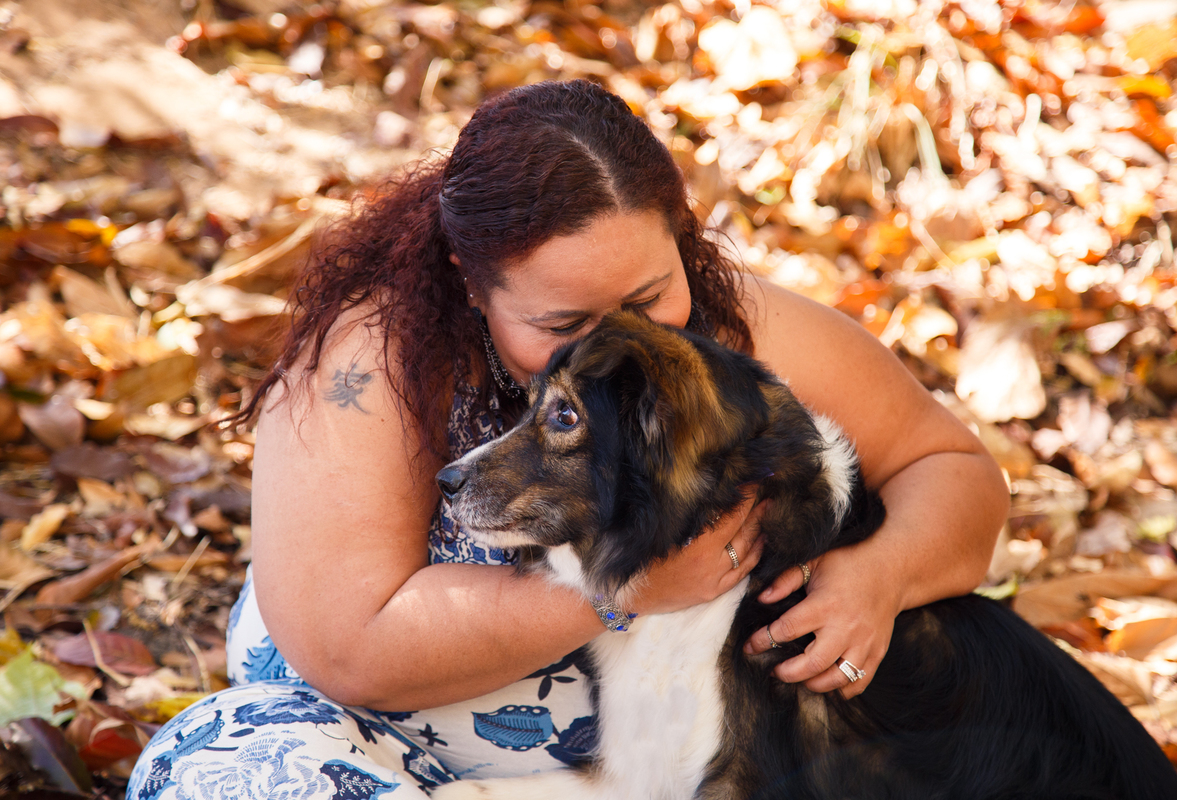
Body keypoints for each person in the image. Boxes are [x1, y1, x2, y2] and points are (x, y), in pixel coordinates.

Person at [126, 80, 1008, 799]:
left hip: (675, 769)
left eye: (647, 297)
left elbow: (954, 468)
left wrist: (881, 576)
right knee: (219, 769)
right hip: (389, 754)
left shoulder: (728, 340)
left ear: (681, 241)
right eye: (564, 320)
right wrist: (627, 588)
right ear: (469, 285)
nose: (615, 341)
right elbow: (350, 649)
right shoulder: (370, 364)